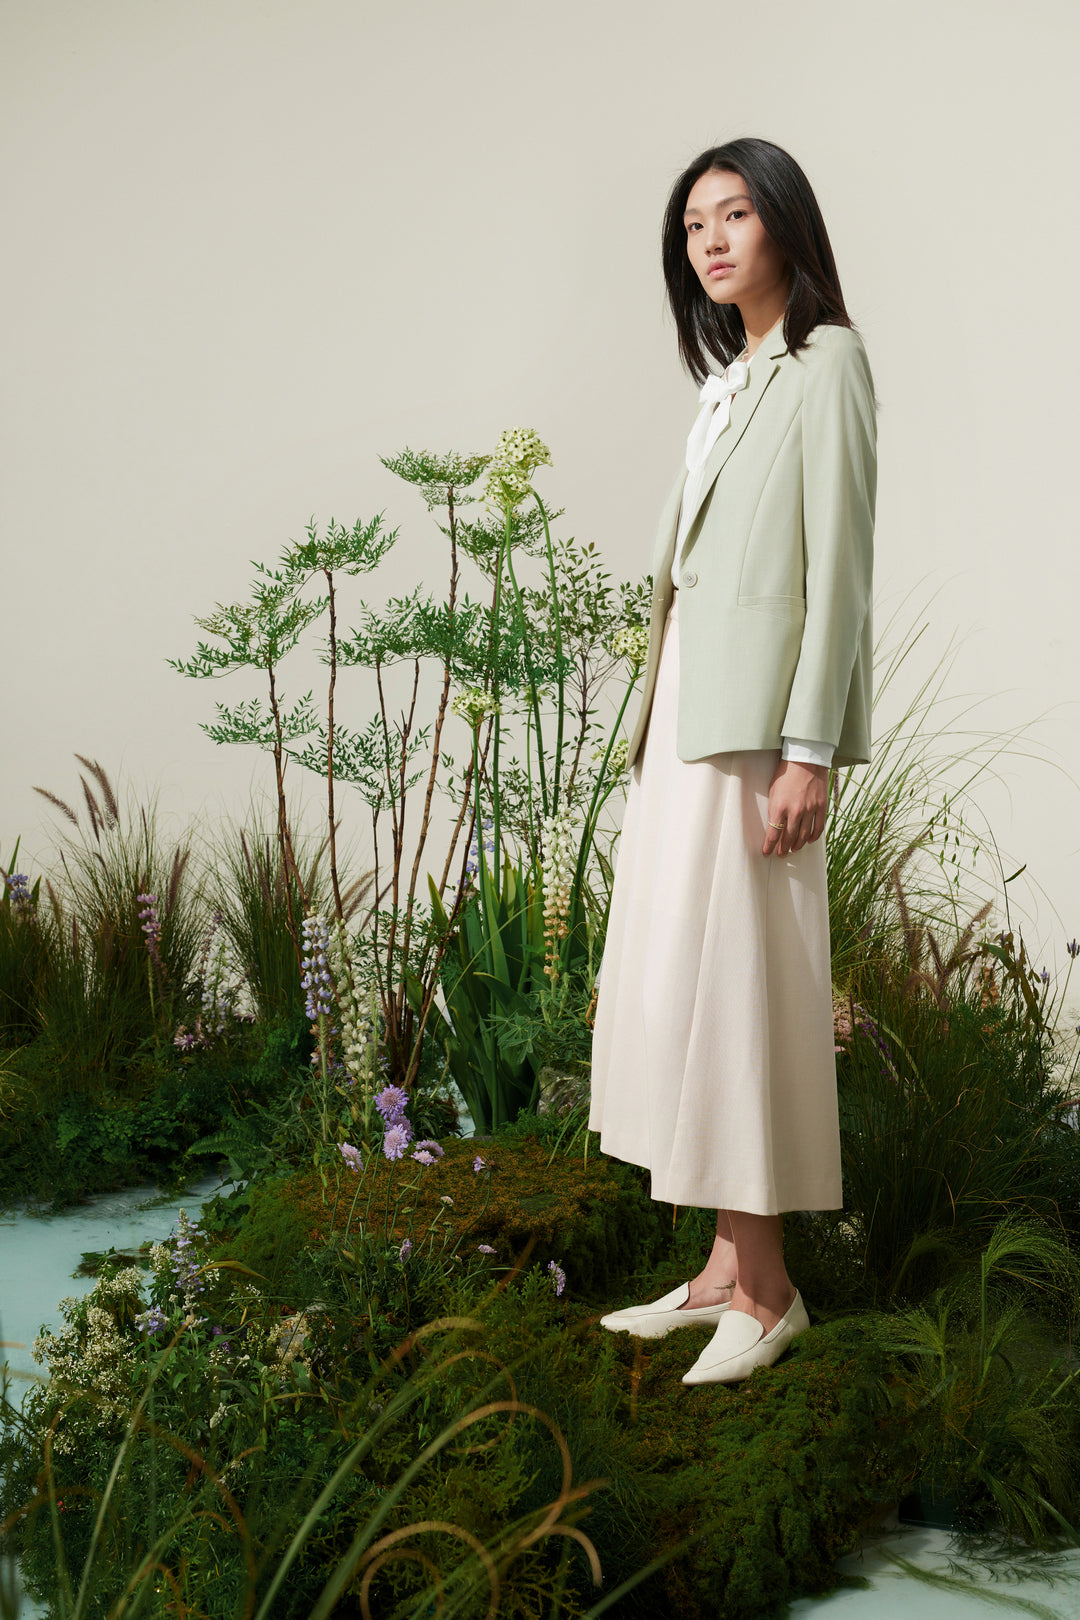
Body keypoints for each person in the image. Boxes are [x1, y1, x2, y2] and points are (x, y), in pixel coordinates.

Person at [588, 137, 876, 1386]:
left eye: (736, 214)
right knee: (685, 982)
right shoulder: (734, 379)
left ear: (785, 226)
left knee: (745, 988)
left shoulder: (827, 365)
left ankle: (770, 1292)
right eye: (694, 223)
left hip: (758, 736)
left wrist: (810, 752)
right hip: (684, 731)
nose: (710, 239)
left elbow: (840, 571)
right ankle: (720, 1267)